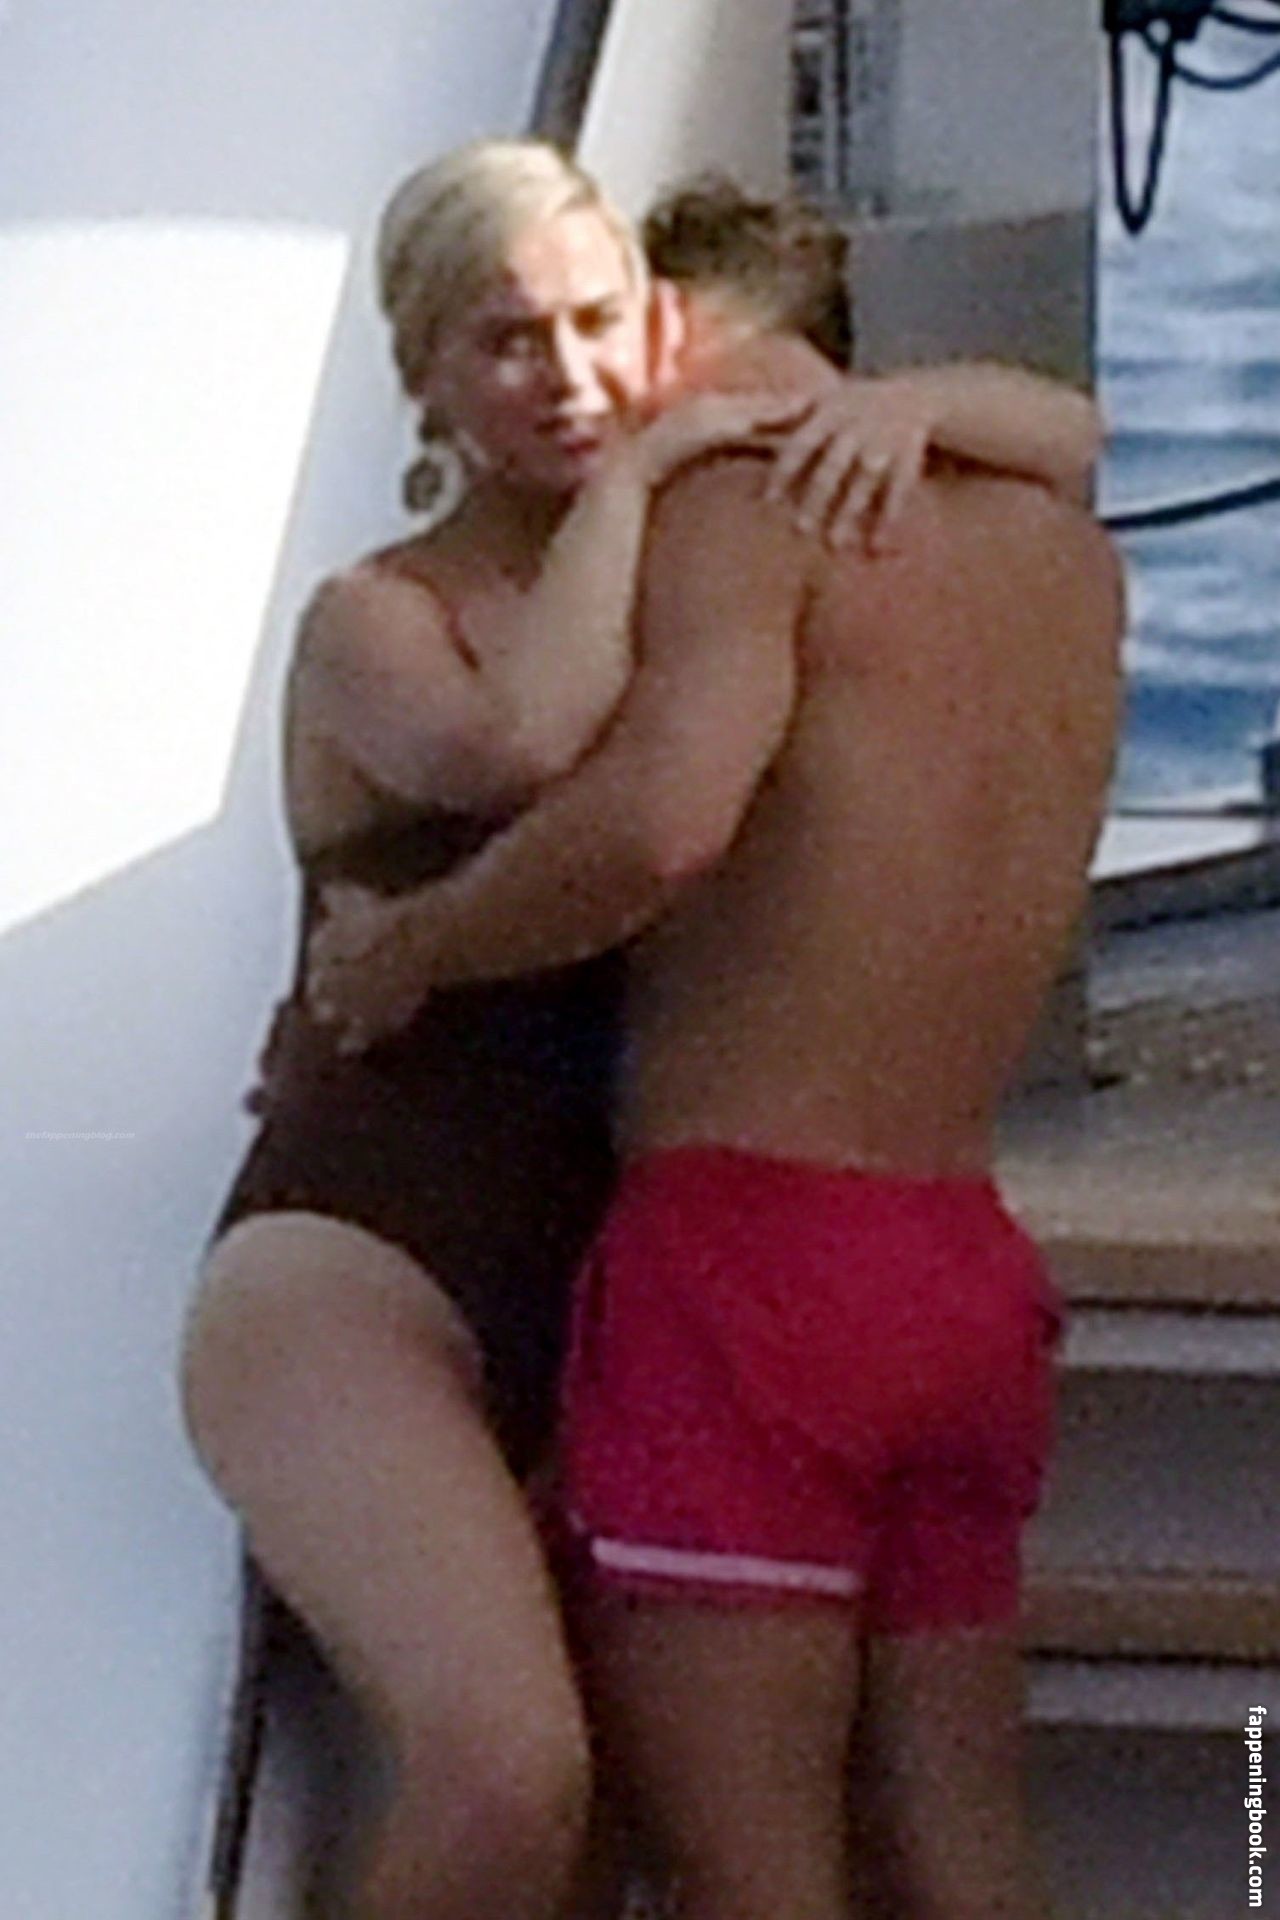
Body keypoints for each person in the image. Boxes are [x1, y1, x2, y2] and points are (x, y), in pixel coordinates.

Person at [183, 140, 1103, 1920]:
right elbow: (521, 756)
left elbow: (1071, 439)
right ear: (422, 377)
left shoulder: (703, 576)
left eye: (597, 324)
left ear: (658, 322)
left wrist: (902, 405)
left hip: (639, 1275)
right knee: (516, 1776)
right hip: (369, 1257)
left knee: (658, 1841)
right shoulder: (383, 618)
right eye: (504, 340)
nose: (570, 376)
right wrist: (661, 471)